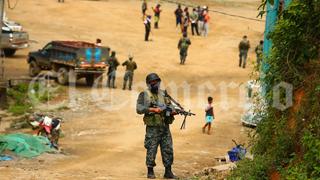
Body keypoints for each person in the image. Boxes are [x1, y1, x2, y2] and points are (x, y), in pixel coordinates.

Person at [136, 73, 178, 179]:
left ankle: (168, 171)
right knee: (151, 148)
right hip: (153, 128)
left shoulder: (163, 93)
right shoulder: (144, 94)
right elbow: (139, 109)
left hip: (164, 127)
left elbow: (170, 105)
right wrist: (152, 109)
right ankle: (150, 171)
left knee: (168, 148)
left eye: (156, 82)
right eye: (152, 82)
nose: (155, 84)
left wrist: (173, 111)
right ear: (148, 83)